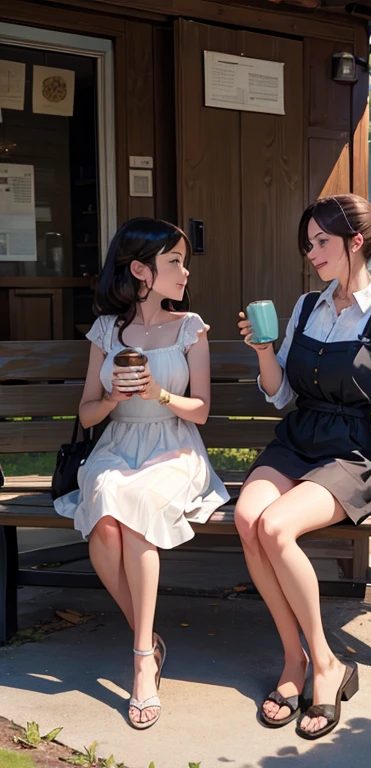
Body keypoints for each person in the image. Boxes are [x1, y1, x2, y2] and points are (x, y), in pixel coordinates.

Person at [236, 194, 371, 741]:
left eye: (321, 243)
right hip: (298, 437)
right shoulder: (306, 306)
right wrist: (263, 349)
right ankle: (293, 660)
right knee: (247, 519)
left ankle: (325, 663)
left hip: (349, 451)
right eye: (307, 244)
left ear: (355, 243)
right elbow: (280, 396)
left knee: (276, 527)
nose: (311, 254)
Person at [55, 217, 229, 729]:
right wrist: (113, 396)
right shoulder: (108, 331)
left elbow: (200, 411)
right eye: (174, 262)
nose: (184, 273)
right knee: (107, 506)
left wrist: (160, 395)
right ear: (140, 270)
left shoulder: (190, 327)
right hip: (117, 445)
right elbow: (87, 414)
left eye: (184, 262)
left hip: (174, 448)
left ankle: (139, 662)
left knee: (137, 510)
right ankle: (148, 640)